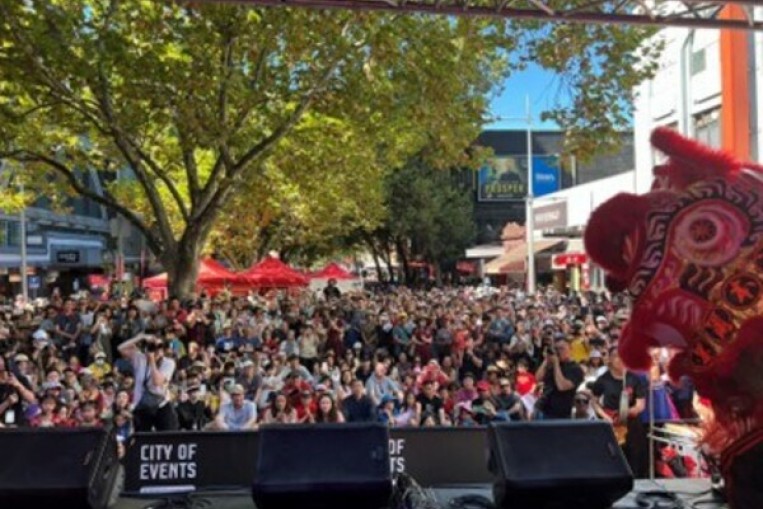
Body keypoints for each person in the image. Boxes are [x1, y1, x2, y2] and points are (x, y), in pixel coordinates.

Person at [591, 347, 648, 478]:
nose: (620, 359)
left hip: (631, 425)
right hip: (612, 424)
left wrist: (629, 411)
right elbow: (594, 401)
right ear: (610, 359)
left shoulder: (634, 379)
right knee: (613, 457)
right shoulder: (603, 380)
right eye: (616, 356)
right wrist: (605, 416)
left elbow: (641, 404)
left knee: (633, 457)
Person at [117, 333, 178, 431]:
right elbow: (121, 348)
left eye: (160, 347)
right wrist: (141, 337)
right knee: (142, 438)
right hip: (142, 405)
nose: (157, 350)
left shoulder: (168, 363)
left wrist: (152, 361)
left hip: (161, 404)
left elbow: (157, 382)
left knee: (168, 436)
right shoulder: (140, 358)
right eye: (153, 346)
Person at [534, 338, 584, 419]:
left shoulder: (576, 369)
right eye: (556, 349)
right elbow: (538, 378)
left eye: (562, 348)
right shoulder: (552, 365)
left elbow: (562, 386)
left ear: (570, 349)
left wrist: (556, 364)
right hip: (543, 409)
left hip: (561, 414)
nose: (559, 351)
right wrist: (546, 360)